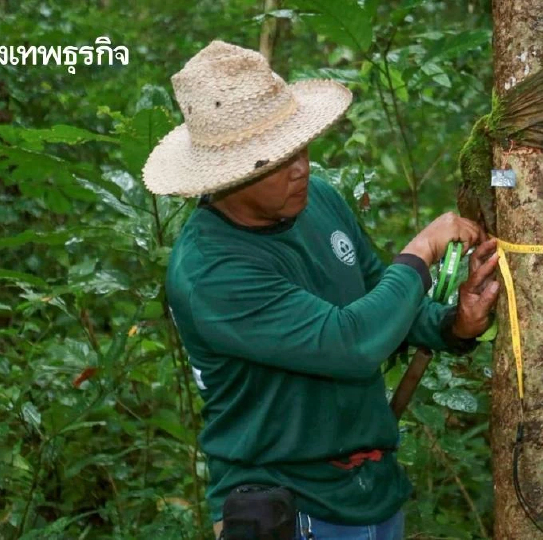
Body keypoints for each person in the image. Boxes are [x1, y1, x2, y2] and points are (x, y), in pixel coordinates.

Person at [141, 39, 501, 540]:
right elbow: (350, 342)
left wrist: (452, 323)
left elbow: (377, 296)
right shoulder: (212, 270)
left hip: (370, 494)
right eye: (275, 160)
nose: (300, 168)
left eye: (302, 147)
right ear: (227, 177)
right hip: (286, 506)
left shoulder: (319, 201)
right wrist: (421, 251)